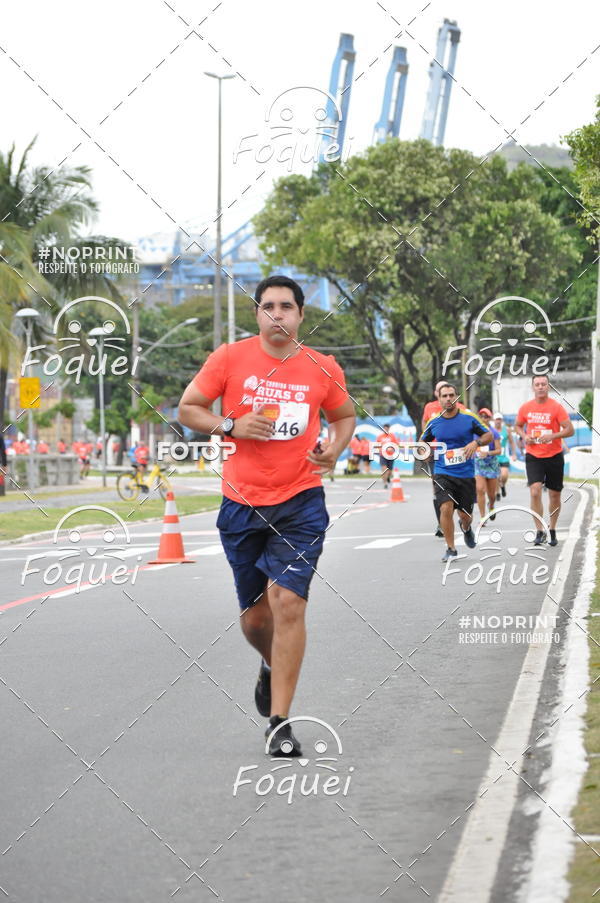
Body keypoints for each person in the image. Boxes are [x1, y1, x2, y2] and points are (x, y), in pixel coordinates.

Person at [178, 274, 355, 757]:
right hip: (242, 504)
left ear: (301, 314)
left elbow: (344, 416)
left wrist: (335, 449)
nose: (277, 314)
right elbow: (189, 408)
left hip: (301, 501)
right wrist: (230, 424)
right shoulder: (229, 358)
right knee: (256, 620)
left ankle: (280, 723)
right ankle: (271, 664)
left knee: (288, 603)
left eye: (286, 306)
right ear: (257, 313)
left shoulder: (322, 367)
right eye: (268, 306)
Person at [420, 383, 492, 562]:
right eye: (444, 396)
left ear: (456, 397)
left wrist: (475, 443)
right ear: (439, 399)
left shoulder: (468, 417)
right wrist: (425, 452)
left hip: (465, 474)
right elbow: (422, 442)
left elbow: (488, 435)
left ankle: (466, 527)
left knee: (465, 516)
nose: (448, 399)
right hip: (442, 471)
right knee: (445, 507)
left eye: (451, 395)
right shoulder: (434, 421)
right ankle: (451, 548)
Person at [513, 375, 574, 546]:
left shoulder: (556, 407)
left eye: (543, 384)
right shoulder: (526, 407)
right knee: (535, 491)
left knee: (554, 495)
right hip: (533, 455)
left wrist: (553, 436)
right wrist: (524, 436)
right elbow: (517, 425)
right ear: (533, 387)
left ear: (548, 387)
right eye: (537, 384)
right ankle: (539, 530)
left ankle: (552, 528)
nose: (540, 387)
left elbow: (570, 430)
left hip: (554, 455)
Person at [422, 381, 466, 538]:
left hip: (455, 453)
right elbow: (424, 425)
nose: (447, 397)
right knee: (438, 487)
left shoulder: (460, 407)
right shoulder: (429, 407)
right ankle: (442, 523)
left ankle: (461, 517)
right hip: (435, 453)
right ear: (436, 393)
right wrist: (425, 447)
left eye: (450, 394)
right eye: (440, 392)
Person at [474, 408, 501, 523]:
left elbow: (499, 450)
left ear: (490, 418)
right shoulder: (474, 431)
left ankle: (491, 505)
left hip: (491, 464)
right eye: (481, 416)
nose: (483, 418)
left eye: (486, 416)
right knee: (480, 489)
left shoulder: (494, 432)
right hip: (478, 463)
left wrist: (488, 453)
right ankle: (482, 517)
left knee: (491, 495)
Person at [493, 413, 517, 500]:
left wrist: (514, 454)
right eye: (497, 419)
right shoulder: (490, 430)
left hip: (503, 457)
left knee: (504, 475)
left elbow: (512, 442)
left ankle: (502, 485)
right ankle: (497, 492)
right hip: (494, 457)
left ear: (502, 420)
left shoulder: (506, 430)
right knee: (496, 476)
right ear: (494, 420)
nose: (498, 421)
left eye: (499, 419)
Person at [375, 423, 399, 487]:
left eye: (387, 428)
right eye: (384, 428)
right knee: (384, 469)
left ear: (389, 428)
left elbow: (396, 444)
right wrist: (381, 449)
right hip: (382, 455)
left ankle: (388, 477)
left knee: (389, 471)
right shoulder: (380, 437)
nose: (385, 429)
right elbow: (377, 445)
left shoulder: (392, 436)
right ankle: (385, 483)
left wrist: (392, 448)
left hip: (390, 456)